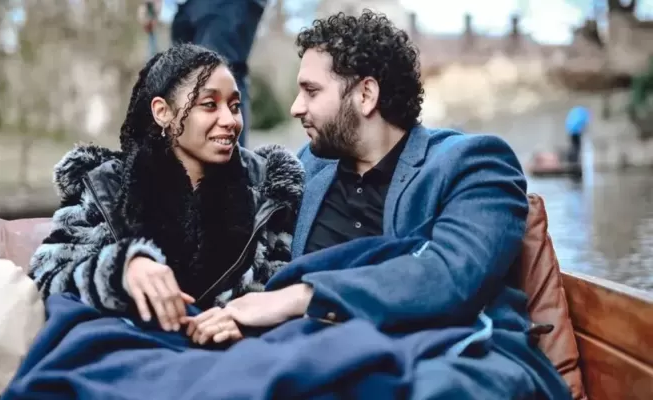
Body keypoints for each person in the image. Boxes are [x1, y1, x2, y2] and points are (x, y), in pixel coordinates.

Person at [215, 10, 572, 399]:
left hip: (436, 355)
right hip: (309, 353)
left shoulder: (473, 163)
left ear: (366, 95)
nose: (295, 107)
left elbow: (451, 276)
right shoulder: (307, 167)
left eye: (311, 91)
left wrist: (299, 298)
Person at [28, 43, 304, 345]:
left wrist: (245, 325)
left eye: (235, 106)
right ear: (162, 112)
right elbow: (47, 277)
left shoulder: (267, 188)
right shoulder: (107, 185)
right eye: (210, 105)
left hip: (233, 359)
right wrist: (123, 270)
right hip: (134, 353)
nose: (230, 120)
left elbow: (286, 292)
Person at [140, 0, 267, 148]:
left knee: (218, 75)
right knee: (183, 81)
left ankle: (229, 164)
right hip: (185, 6)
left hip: (230, 5)